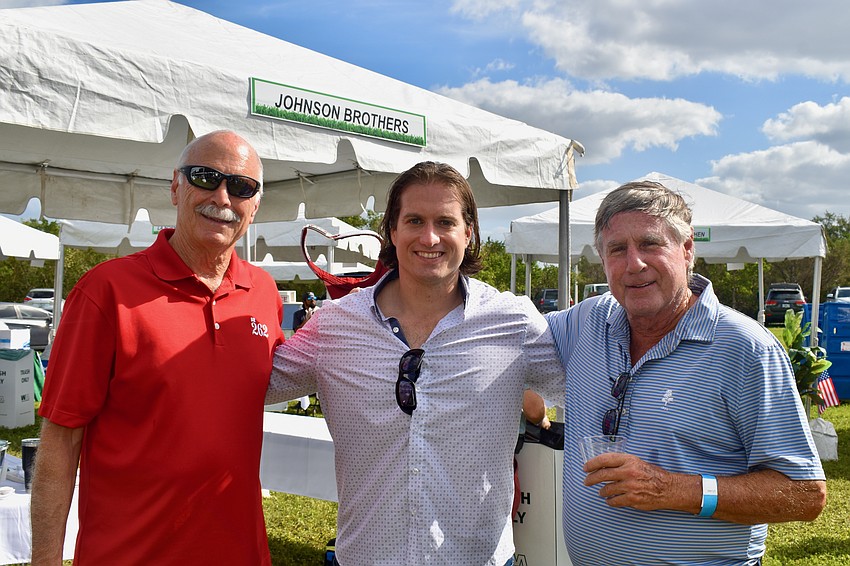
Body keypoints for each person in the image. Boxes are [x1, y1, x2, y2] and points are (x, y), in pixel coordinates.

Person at [267, 161, 563, 565]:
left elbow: (590, 384)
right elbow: (252, 384)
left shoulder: (513, 322)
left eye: (445, 221)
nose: (430, 237)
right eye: (414, 220)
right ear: (392, 230)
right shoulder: (335, 325)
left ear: (468, 232)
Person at [31, 130, 284, 565]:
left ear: (255, 204)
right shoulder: (106, 290)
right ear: (174, 186)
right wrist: (44, 560)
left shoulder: (263, 291)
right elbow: (61, 438)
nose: (222, 197)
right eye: (205, 177)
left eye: (241, 186)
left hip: (239, 552)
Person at [547, 181, 826, 565]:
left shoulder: (745, 349)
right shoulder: (588, 322)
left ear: (687, 249)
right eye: (617, 250)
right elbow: (501, 334)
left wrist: (673, 490)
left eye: (649, 244)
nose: (634, 264)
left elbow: (804, 494)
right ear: (602, 258)